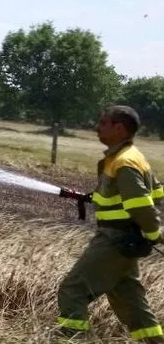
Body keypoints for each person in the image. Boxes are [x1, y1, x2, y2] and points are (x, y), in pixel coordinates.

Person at [55, 105, 164, 342]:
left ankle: (72, 339)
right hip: (126, 242)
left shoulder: (124, 162)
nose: (97, 127)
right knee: (131, 303)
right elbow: (154, 194)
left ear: (119, 128)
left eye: (103, 123)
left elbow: (141, 204)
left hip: (115, 241)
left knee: (72, 291)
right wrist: (95, 197)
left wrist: (154, 232)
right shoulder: (131, 158)